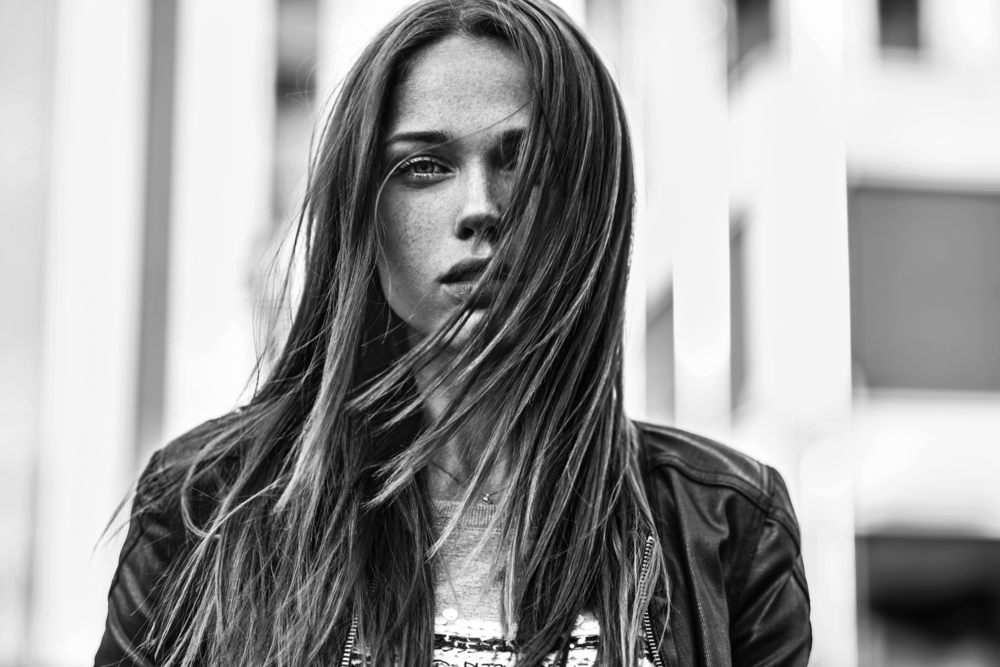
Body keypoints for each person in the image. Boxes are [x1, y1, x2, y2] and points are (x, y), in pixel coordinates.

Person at [95, 1, 811, 665]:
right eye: (424, 166)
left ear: (590, 206)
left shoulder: (727, 525)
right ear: (363, 214)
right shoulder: (208, 506)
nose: (480, 208)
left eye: (523, 162)